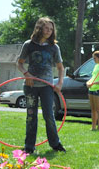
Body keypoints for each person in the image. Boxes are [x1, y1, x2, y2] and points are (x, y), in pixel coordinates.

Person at [17, 17, 66, 154]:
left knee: (49, 115)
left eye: (51, 29)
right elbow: (19, 63)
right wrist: (27, 74)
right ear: (39, 28)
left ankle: (55, 144)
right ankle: (29, 147)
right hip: (31, 86)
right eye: (46, 28)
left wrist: (60, 82)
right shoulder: (29, 45)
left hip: (46, 86)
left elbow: (60, 68)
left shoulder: (54, 47)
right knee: (31, 115)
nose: (49, 31)